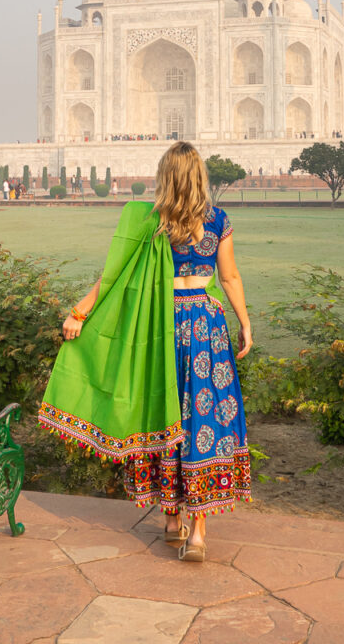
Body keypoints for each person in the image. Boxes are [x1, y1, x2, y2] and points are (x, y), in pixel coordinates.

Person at [39, 141, 252, 562]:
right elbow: (228, 278)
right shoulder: (218, 221)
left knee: (161, 415)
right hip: (205, 326)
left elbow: (113, 279)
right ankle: (199, 534)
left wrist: (79, 312)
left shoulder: (150, 221)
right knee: (202, 417)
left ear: (164, 177)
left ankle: (171, 521)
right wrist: (244, 323)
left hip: (160, 326)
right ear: (199, 177)